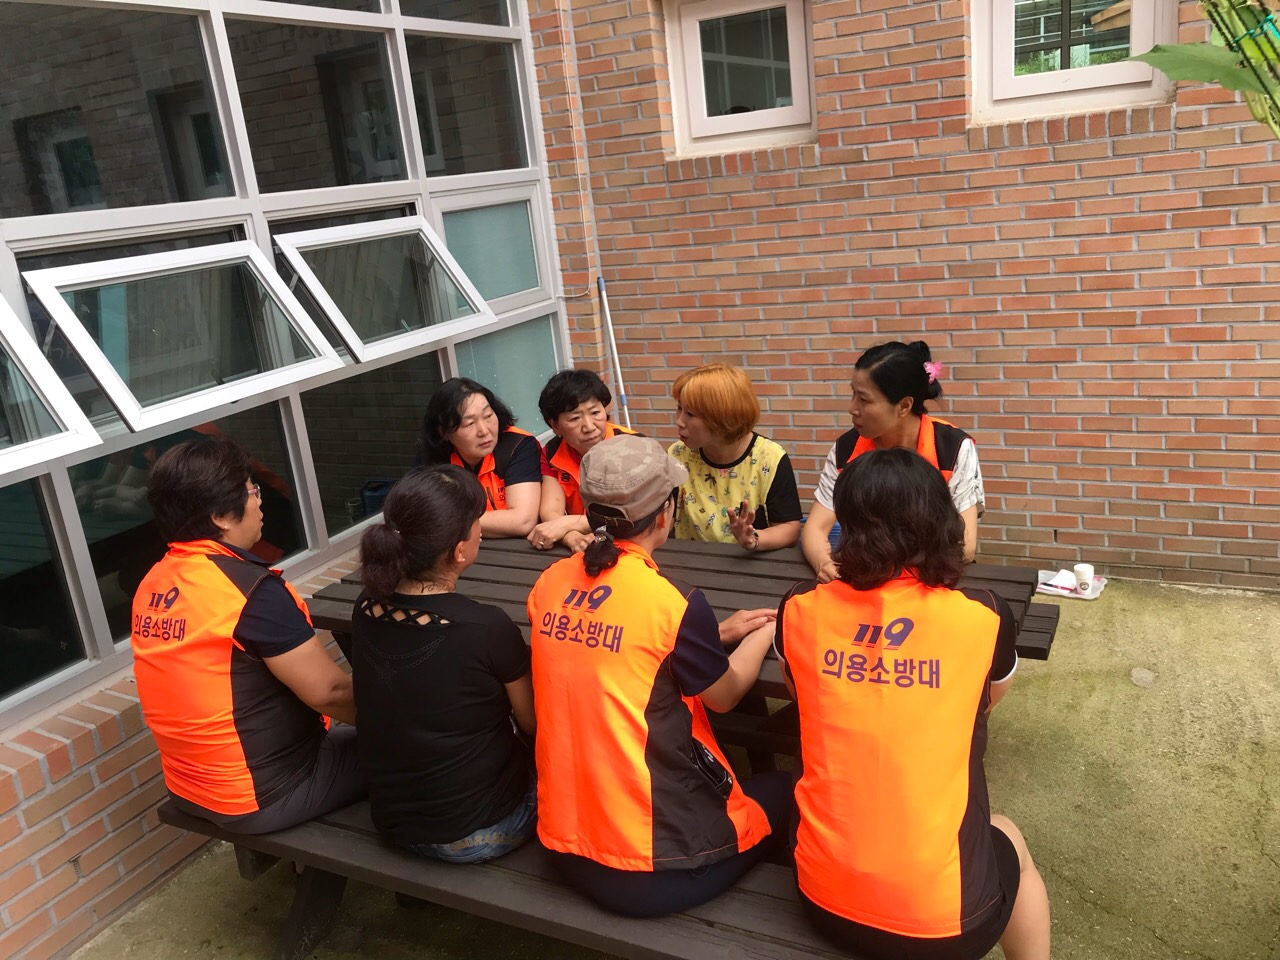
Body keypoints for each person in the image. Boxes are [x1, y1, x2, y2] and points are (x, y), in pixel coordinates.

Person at [776, 448, 1050, 960]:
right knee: (1008, 834)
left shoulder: (797, 609)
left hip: (821, 899)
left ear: (848, 526)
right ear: (938, 520)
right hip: (947, 924)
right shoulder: (985, 615)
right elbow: (987, 699)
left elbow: (801, 695)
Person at [526, 434, 792, 917]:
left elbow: (619, 648)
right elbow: (725, 695)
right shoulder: (673, 602)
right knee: (783, 787)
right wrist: (763, 634)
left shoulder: (549, 584)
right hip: (655, 870)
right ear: (665, 513)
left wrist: (714, 634)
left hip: (563, 845)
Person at [130, 437, 362, 834]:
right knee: (426, 743)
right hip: (265, 792)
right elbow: (331, 694)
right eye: (252, 490)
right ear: (221, 515)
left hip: (189, 788)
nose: (259, 500)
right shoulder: (249, 593)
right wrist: (408, 719)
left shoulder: (155, 582)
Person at [350, 465, 536, 863]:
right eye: (477, 523)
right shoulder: (485, 627)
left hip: (392, 820)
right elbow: (533, 723)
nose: (481, 530)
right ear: (459, 550)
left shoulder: (366, 605)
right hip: (476, 833)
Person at [802, 340, 984, 579]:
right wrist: (823, 563)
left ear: (904, 406)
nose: (852, 408)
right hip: (864, 577)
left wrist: (896, 575)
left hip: (931, 580)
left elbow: (965, 546)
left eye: (864, 399)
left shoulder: (952, 448)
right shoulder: (846, 449)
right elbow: (815, 528)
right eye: (853, 394)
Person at [668, 363, 802, 552]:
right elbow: (664, 518)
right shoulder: (677, 454)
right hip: (690, 561)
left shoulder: (770, 458)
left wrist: (753, 538)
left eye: (690, 414)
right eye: (679, 408)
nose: (679, 421)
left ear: (723, 418)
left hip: (751, 563)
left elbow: (789, 528)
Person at [528, 368, 637, 553]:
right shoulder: (552, 452)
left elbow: (631, 516)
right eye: (575, 418)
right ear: (555, 426)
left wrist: (567, 524)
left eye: (595, 413)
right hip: (590, 543)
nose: (589, 426)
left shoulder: (634, 446)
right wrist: (571, 537)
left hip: (634, 541)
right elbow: (550, 511)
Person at [418, 378, 544, 537]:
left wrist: (450, 522)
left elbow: (522, 521)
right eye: (469, 424)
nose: (484, 431)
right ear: (444, 432)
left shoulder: (518, 445)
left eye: (488, 415)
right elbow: (422, 516)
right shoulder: (434, 456)